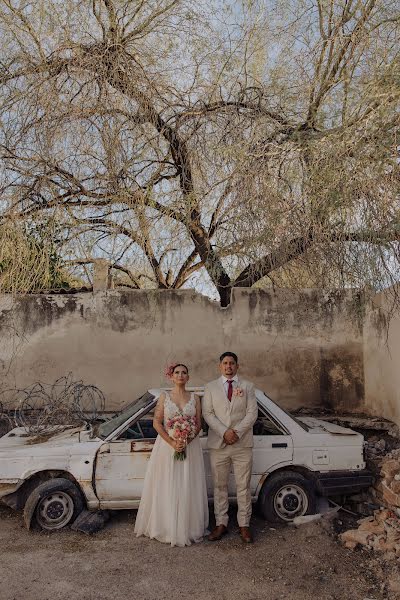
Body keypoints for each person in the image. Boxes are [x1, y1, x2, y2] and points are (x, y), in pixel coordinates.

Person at [134, 363, 209, 547]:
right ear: (171, 377)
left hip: (189, 447)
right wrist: (173, 442)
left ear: (188, 377)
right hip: (167, 447)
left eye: (184, 373)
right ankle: (167, 527)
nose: (181, 375)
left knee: (187, 483)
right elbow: (157, 423)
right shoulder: (164, 397)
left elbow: (198, 424)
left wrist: (186, 442)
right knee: (168, 483)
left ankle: (188, 527)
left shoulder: (195, 398)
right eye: (177, 373)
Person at [202, 352, 258, 543]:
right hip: (219, 443)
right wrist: (224, 432)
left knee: (243, 485)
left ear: (237, 366)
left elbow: (252, 414)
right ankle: (221, 523)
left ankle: (244, 524)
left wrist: (236, 432)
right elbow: (208, 414)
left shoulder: (248, 386)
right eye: (225, 363)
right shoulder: (210, 388)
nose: (228, 366)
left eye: (232, 363)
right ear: (220, 366)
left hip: (242, 444)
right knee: (220, 485)